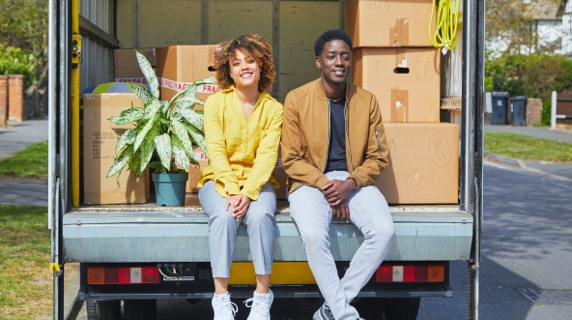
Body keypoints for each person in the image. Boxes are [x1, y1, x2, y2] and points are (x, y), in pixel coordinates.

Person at [281, 29, 396, 320]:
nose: (339, 62)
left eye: (345, 56)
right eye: (331, 56)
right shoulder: (297, 99)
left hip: (353, 179)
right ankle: (343, 314)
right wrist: (326, 185)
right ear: (319, 61)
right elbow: (291, 158)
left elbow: (378, 156)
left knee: (383, 231)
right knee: (313, 235)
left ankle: (332, 309)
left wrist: (350, 183)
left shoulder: (367, 101)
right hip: (309, 181)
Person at [198, 33, 283, 320]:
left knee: (260, 217)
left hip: (258, 183)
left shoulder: (274, 109)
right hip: (218, 181)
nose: (244, 67)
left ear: (262, 66)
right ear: (228, 71)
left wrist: (247, 193)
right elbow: (216, 151)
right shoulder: (215, 104)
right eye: (236, 63)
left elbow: (267, 157)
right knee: (223, 217)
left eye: (250, 60)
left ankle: (261, 298)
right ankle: (221, 299)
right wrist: (233, 190)